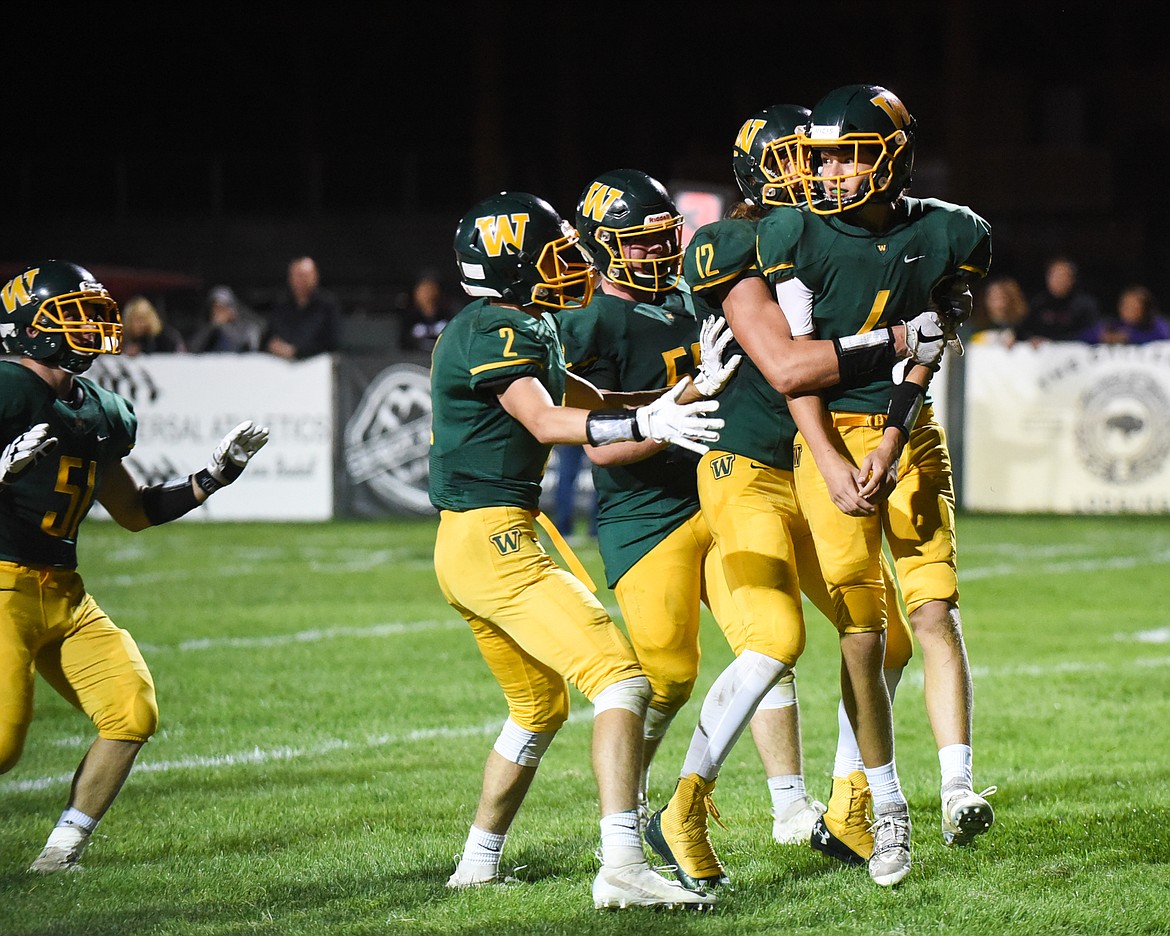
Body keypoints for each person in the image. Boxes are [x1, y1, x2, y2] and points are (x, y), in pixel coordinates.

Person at [646, 106, 939, 891]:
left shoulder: (837, 236)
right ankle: (681, 805)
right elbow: (785, 364)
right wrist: (899, 338)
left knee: (888, 640)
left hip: (811, 464)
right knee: (776, 636)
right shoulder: (734, 243)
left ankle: (850, 804)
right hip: (745, 464)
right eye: (793, 160)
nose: (814, 173)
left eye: (823, 158)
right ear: (757, 175)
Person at [432, 191, 725, 911]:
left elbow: (595, 399)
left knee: (537, 708)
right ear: (508, 267)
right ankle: (623, 863)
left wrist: (686, 392)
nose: (574, 264)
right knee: (623, 682)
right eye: (556, 254)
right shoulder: (492, 326)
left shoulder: (518, 324)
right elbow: (546, 418)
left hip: (480, 539)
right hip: (494, 540)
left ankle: (476, 862)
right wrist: (646, 416)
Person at [767, 83, 997, 880]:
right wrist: (833, 460)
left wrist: (895, 434)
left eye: (846, 155)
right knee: (862, 633)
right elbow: (796, 373)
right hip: (827, 437)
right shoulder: (791, 234)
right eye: (821, 155)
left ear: (890, 157)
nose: (829, 171)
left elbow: (933, 339)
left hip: (906, 434)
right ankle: (886, 806)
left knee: (934, 609)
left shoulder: (950, 231)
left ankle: (958, 784)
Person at [562, 167, 817, 847]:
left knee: (767, 645)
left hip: (717, 491)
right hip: (644, 516)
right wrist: (659, 420)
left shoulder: (693, 291)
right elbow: (600, 451)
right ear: (603, 244)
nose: (659, 251)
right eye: (640, 243)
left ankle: (790, 807)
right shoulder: (590, 319)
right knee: (669, 677)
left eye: (662, 236)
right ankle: (622, 813)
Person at [0, 260, 269, 873]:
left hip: (64, 595)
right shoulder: (6, 391)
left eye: (94, 313)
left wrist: (215, 476)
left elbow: (133, 511)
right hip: (2, 588)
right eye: (74, 314)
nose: (92, 326)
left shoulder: (98, 411)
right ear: (29, 325)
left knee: (131, 708)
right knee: (3, 745)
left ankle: (60, 854)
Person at [263, 256, 342, 359]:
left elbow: (332, 342)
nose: (300, 280)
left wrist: (296, 351)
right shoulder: (281, 303)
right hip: (280, 363)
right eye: (296, 275)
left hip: (314, 363)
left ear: (315, 276)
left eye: (304, 275)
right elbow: (269, 335)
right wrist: (273, 346)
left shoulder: (327, 305)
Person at [1015, 255, 1101, 344]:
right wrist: (1026, 338)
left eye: (1063, 276)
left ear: (1072, 279)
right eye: (1054, 275)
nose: (1058, 280)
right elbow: (1024, 330)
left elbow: (1092, 334)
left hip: (1074, 352)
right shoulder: (1038, 303)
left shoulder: (1085, 305)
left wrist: (1053, 341)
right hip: (1043, 353)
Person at [1084, 284, 1170, 345]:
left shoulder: (1156, 325)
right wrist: (1103, 337)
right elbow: (1083, 336)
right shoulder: (1115, 325)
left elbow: (1164, 338)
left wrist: (1131, 338)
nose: (1126, 309)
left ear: (1145, 307)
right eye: (1124, 304)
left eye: (1132, 305)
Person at [188, 285, 263, 353]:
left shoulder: (248, 328)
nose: (219, 311)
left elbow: (247, 349)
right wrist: (212, 327)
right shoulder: (205, 326)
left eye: (223, 307)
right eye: (216, 307)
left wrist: (224, 327)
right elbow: (192, 348)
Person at [397, 269, 453, 354]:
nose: (427, 293)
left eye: (431, 287)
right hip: (414, 363)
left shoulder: (450, 315)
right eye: (423, 288)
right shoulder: (406, 318)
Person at [551, 444, 597, 540]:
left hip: (572, 431)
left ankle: (563, 529)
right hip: (595, 430)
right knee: (600, 476)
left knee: (566, 478)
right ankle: (596, 529)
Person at [971, 275, 1028, 347]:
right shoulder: (977, 323)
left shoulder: (1023, 323)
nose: (996, 303)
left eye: (1001, 297)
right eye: (992, 297)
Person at [120, 295, 186, 355]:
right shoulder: (127, 338)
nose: (140, 324)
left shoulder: (167, 338)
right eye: (136, 320)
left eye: (143, 319)